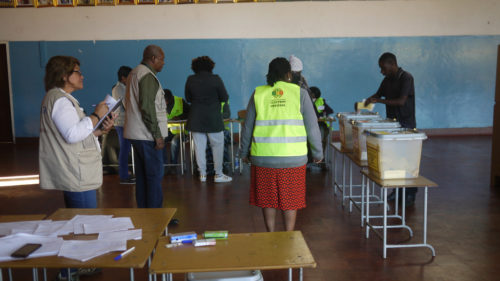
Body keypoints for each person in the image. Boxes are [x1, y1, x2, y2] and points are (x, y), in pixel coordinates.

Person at [39, 55, 115, 281]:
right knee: (82, 221)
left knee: (80, 221)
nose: (82, 76)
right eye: (77, 72)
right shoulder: (60, 100)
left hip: (74, 169)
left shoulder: (60, 99)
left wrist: (99, 130)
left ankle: (74, 266)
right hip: (75, 172)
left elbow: (76, 132)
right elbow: (72, 135)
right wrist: (96, 115)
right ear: (64, 76)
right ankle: (68, 270)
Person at [239, 57, 323, 232]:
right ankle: (289, 234)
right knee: (290, 199)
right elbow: (312, 126)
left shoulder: (259, 93)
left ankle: (270, 233)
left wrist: (244, 152)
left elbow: (247, 126)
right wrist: (318, 153)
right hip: (293, 159)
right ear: (288, 74)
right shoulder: (299, 93)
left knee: (268, 198)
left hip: (263, 158)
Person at [363, 52, 417, 206]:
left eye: (383, 68)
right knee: (395, 159)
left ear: (392, 64)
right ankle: (397, 191)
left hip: (406, 124)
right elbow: (378, 94)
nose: (382, 71)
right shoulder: (387, 80)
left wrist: (379, 100)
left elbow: (401, 101)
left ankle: (410, 193)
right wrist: (367, 101)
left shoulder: (407, 78)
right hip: (392, 124)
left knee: (407, 160)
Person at [124, 45, 168, 208]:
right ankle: (156, 217)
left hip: (136, 134)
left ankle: (145, 213)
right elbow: (148, 108)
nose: (164, 63)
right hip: (147, 135)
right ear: (153, 59)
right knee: (154, 176)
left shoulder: (134, 72)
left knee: (143, 177)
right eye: (162, 59)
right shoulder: (147, 76)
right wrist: (157, 135)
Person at [185, 56, 232, 183]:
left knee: (199, 148)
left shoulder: (190, 79)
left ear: (194, 67)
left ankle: (203, 175)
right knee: (217, 146)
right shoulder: (215, 79)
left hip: (195, 118)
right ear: (210, 66)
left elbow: (188, 98)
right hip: (213, 119)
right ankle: (218, 174)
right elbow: (224, 97)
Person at [112, 65, 135, 184]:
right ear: (123, 78)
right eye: (129, 77)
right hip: (121, 123)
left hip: (126, 122)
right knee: (125, 149)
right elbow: (127, 105)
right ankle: (124, 176)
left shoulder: (124, 87)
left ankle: (126, 173)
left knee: (126, 149)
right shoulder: (118, 89)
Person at [163, 88, 190, 174]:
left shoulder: (180, 101)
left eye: (167, 101)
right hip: (170, 130)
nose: (165, 103)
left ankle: (173, 166)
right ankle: (165, 166)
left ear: (171, 98)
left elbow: (190, 113)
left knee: (175, 142)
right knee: (160, 140)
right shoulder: (159, 103)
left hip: (182, 131)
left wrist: (180, 117)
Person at [309, 86, 334, 169]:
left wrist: (323, 114)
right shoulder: (306, 101)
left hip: (321, 124)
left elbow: (330, 110)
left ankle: (321, 161)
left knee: (322, 140)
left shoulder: (321, 101)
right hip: (310, 124)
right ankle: (310, 161)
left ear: (313, 94)